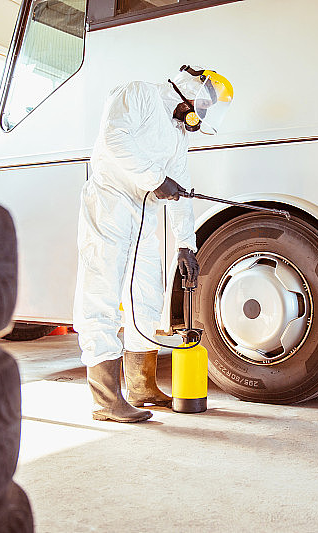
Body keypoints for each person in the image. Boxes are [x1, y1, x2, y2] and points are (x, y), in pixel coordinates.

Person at [73, 65, 234, 423]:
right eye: (204, 105)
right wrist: (156, 178)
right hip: (110, 203)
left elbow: (183, 188)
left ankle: (141, 386)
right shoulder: (138, 93)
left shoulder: (177, 137)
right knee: (100, 294)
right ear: (189, 90)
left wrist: (186, 245)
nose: (202, 115)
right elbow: (115, 138)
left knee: (145, 297)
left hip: (143, 214)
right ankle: (105, 400)